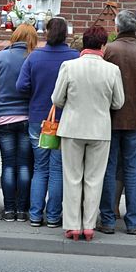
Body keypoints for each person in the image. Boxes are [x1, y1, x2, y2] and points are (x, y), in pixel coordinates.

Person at [52, 25, 124, 241]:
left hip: (72, 127)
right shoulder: (112, 70)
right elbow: (118, 102)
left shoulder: (68, 66)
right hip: (100, 130)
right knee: (94, 179)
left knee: (72, 177)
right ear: (103, 45)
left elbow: (57, 99)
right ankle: (89, 226)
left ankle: (73, 225)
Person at [17, 17, 78, 228]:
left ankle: (35, 215)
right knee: (58, 169)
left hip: (38, 118)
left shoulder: (34, 57)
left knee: (40, 168)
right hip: (65, 119)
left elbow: (21, 86)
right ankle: (53, 216)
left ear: (46, 33)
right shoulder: (74, 57)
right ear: (66, 34)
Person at [98, 10, 136, 235]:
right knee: (132, 170)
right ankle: (133, 221)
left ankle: (108, 220)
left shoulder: (109, 50)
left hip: (110, 118)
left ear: (117, 28)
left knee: (109, 169)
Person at [0, 24, 35, 222]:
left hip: (3, 116)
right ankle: (22, 210)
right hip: (26, 117)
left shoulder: (1, 56)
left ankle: (9, 210)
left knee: (8, 165)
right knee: (24, 165)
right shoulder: (32, 58)